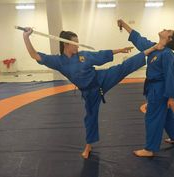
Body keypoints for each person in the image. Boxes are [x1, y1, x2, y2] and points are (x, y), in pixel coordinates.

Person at [23, 27, 160, 159]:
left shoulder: (83, 55)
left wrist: (119, 50)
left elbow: (100, 55)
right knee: (90, 117)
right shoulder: (59, 62)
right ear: (66, 44)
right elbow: (34, 55)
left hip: (101, 79)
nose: (77, 46)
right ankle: (89, 145)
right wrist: (26, 37)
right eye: (74, 43)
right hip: (90, 93)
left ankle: (151, 49)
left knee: (122, 68)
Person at [117, 19, 174, 157]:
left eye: (168, 30)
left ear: (169, 38)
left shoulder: (167, 54)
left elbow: (170, 76)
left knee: (152, 118)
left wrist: (171, 97)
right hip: (153, 87)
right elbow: (138, 38)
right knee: (167, 116)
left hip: (159, 90)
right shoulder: (154, 47)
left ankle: (150, 149)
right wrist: (124, 25)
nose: (165, 28)